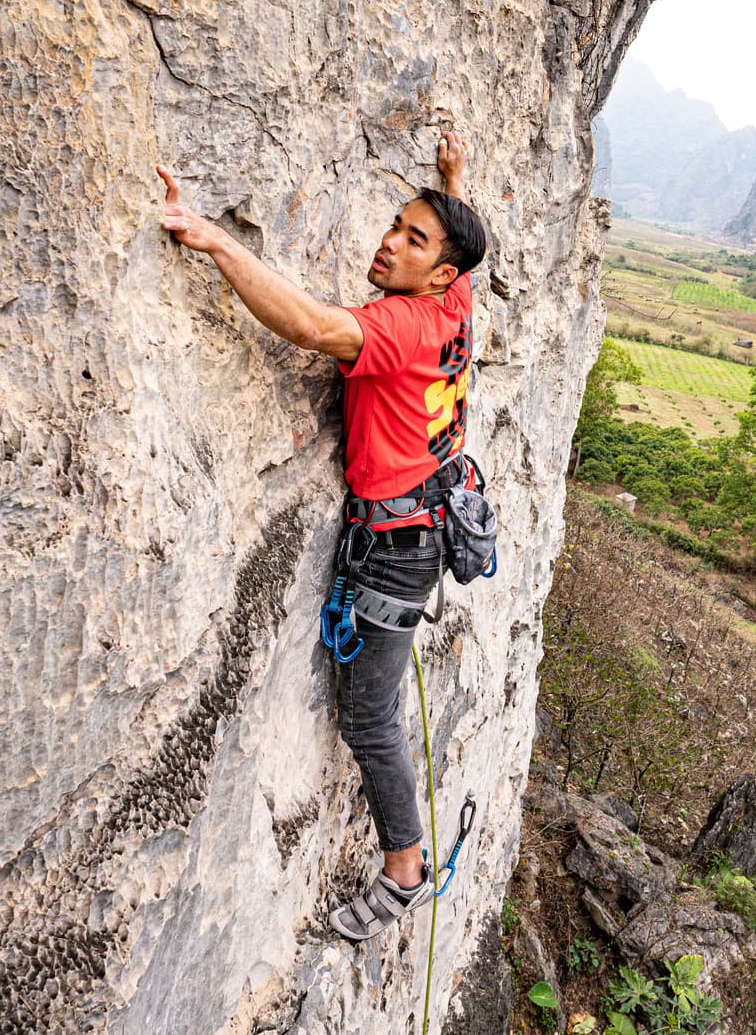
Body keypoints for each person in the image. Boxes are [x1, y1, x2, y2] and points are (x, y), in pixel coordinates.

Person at [158, 131, 488, 941]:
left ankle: (405, 871)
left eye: (415, 239)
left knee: (369, 720)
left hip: (398, 549)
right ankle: (406, 859)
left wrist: (212, 240)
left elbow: (308, 326)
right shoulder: (454, 301)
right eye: (397, 224)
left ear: (440, 272)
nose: (390, 242)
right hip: (429, 519)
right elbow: (467, 245)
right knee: (375, 707)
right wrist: (454, 181)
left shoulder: (404, 327)